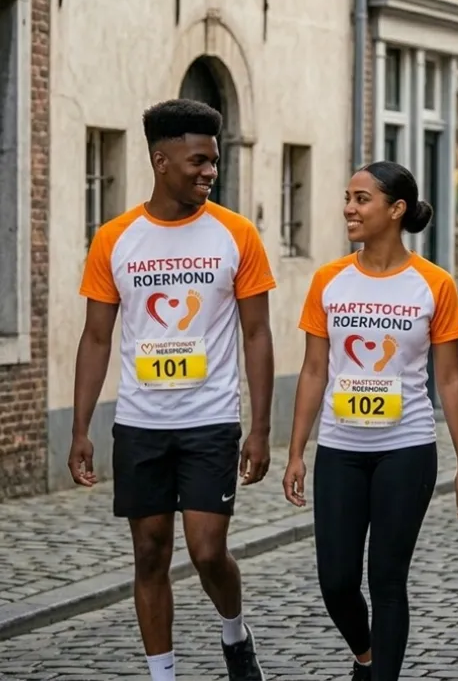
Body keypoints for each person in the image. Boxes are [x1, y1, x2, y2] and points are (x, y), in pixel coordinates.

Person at [68, 98, 275, 681]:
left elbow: (256, 334)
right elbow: (96, 337)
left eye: (215, 161)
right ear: (161, 161)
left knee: (208, 550)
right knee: (151, 552)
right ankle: (163, 674)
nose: (210, 171)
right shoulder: (115, 239)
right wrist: (81, 427)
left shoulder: (236, 235)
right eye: (198, 161)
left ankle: (234, 632)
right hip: (140, 422)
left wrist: (260, 428)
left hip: (210, 419)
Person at [283, 160, 458, 681]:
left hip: (407, 447)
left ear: (395, 210)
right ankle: (365, 655)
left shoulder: (433, 284)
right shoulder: (329, 280)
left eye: (361, 198)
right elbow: (313, 369)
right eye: (347, 197)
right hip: (341, 449)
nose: (349, 207)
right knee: (338, 581)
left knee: (388, 581)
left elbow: (450, 381)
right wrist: (298, 450)